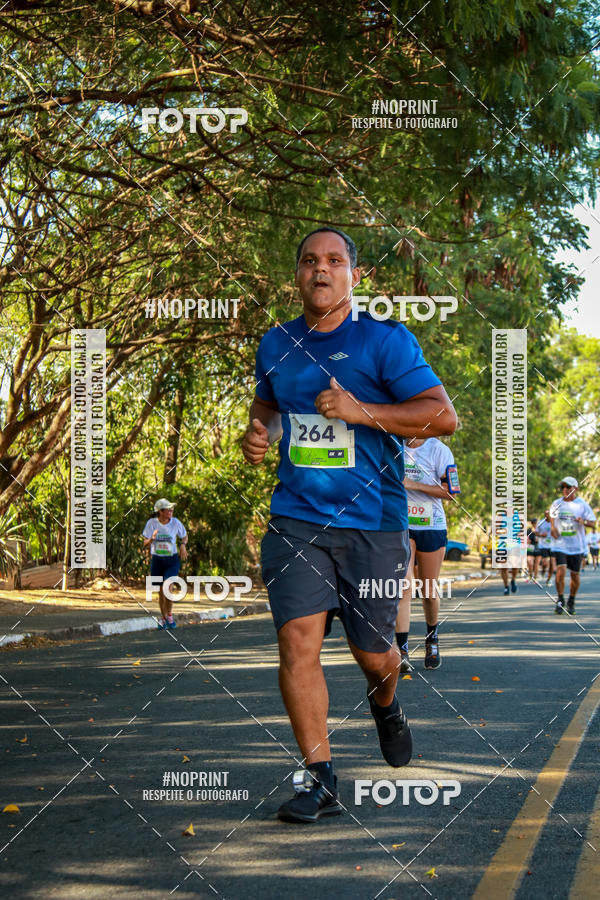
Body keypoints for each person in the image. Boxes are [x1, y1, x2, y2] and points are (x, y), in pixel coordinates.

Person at [242, 227, 457, 824]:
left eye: (335, 260)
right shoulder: (276, 344)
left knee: (374, 656)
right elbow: (268, 407)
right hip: (296, 518)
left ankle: (386, 706)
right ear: (298, 275)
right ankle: (319, 778)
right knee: (297, 643)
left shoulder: (385, 342)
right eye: (310, 260)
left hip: (374, 523)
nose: (321, 269)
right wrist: (258, 435)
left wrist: (363, 412)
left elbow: (443, 416)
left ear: (354, 277)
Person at [394, 436, 459, 671]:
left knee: (429, 590)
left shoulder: (438, 450)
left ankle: (432, 637)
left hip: (432, 525)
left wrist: (413, 484)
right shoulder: (393, 444)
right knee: (404, 585)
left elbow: (452, 492)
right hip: (403, 524)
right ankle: (402, 651)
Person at [549, 477, 596, 615]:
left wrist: (584, 521)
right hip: (560, 545)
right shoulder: (557, 503)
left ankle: (572, 600)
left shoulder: (582, 505)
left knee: (575, 576)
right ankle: (560, 599)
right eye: (562, 487)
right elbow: (551, 515)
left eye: (568, 487)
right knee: (561, 571)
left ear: (575, 489)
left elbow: (592, 522)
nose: (565, 490)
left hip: (577, 546)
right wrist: (552, 528)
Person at [142, 499, 188, 629]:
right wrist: (151, 539)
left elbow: (184, 536)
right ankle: (163, 618)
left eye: (171, 509)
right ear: (160, 511)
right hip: (157, 560)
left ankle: (169, 615)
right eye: (168, 509)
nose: (171, 511)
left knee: (168, 587)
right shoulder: (151, 524)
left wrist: (183, 545)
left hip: (171, 560)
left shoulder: (175, 523)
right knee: (161, 592)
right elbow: (145, 542)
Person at [536, 511, 554, 583]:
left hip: (553, 545)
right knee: (545, 562)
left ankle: (549, 578)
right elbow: (536, 532)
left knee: (552, 562)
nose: (547, 516)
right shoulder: (541, 522)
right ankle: (543, 570)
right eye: (546, 514)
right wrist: (541, 535)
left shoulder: (554, 522)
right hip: (543, 545)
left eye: (549, 514)